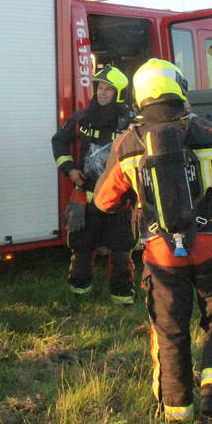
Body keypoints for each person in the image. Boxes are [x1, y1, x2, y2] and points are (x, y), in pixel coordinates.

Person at [93, 59, 212, 424]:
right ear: (179, 87)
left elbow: (103, 201)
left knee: (170, 329)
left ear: (140, 94)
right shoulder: (207, 132)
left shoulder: (128, 143)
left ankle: (176, 414)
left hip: (161, 254)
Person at [51, 66, 135, 301]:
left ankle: (122, 295)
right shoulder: (81, 118)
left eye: (108, 89)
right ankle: (78, 291)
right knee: (81, 246)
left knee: (121, 248)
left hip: (120, 198)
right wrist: (70, 169)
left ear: (119, 92)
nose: (102, 93)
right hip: (86, 196)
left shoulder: (130, 122)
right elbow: (58, 142)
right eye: (99, 87)